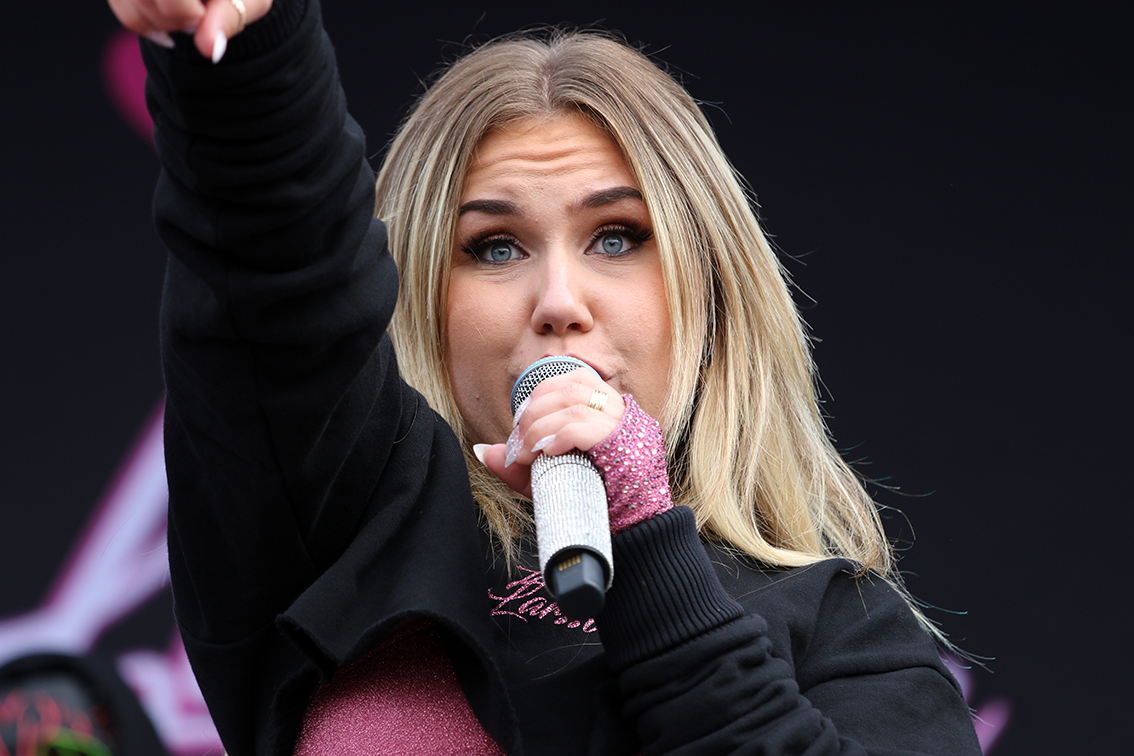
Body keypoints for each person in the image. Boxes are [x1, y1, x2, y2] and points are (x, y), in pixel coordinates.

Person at [109, 0, 984, 754]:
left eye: (617, 237)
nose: (560, 301)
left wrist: (644, 539)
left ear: (710, 299)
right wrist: (252, 50)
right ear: (421, 299)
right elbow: (285, 277)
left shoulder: (847, 628)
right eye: (495, 247)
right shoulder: (347, 523)